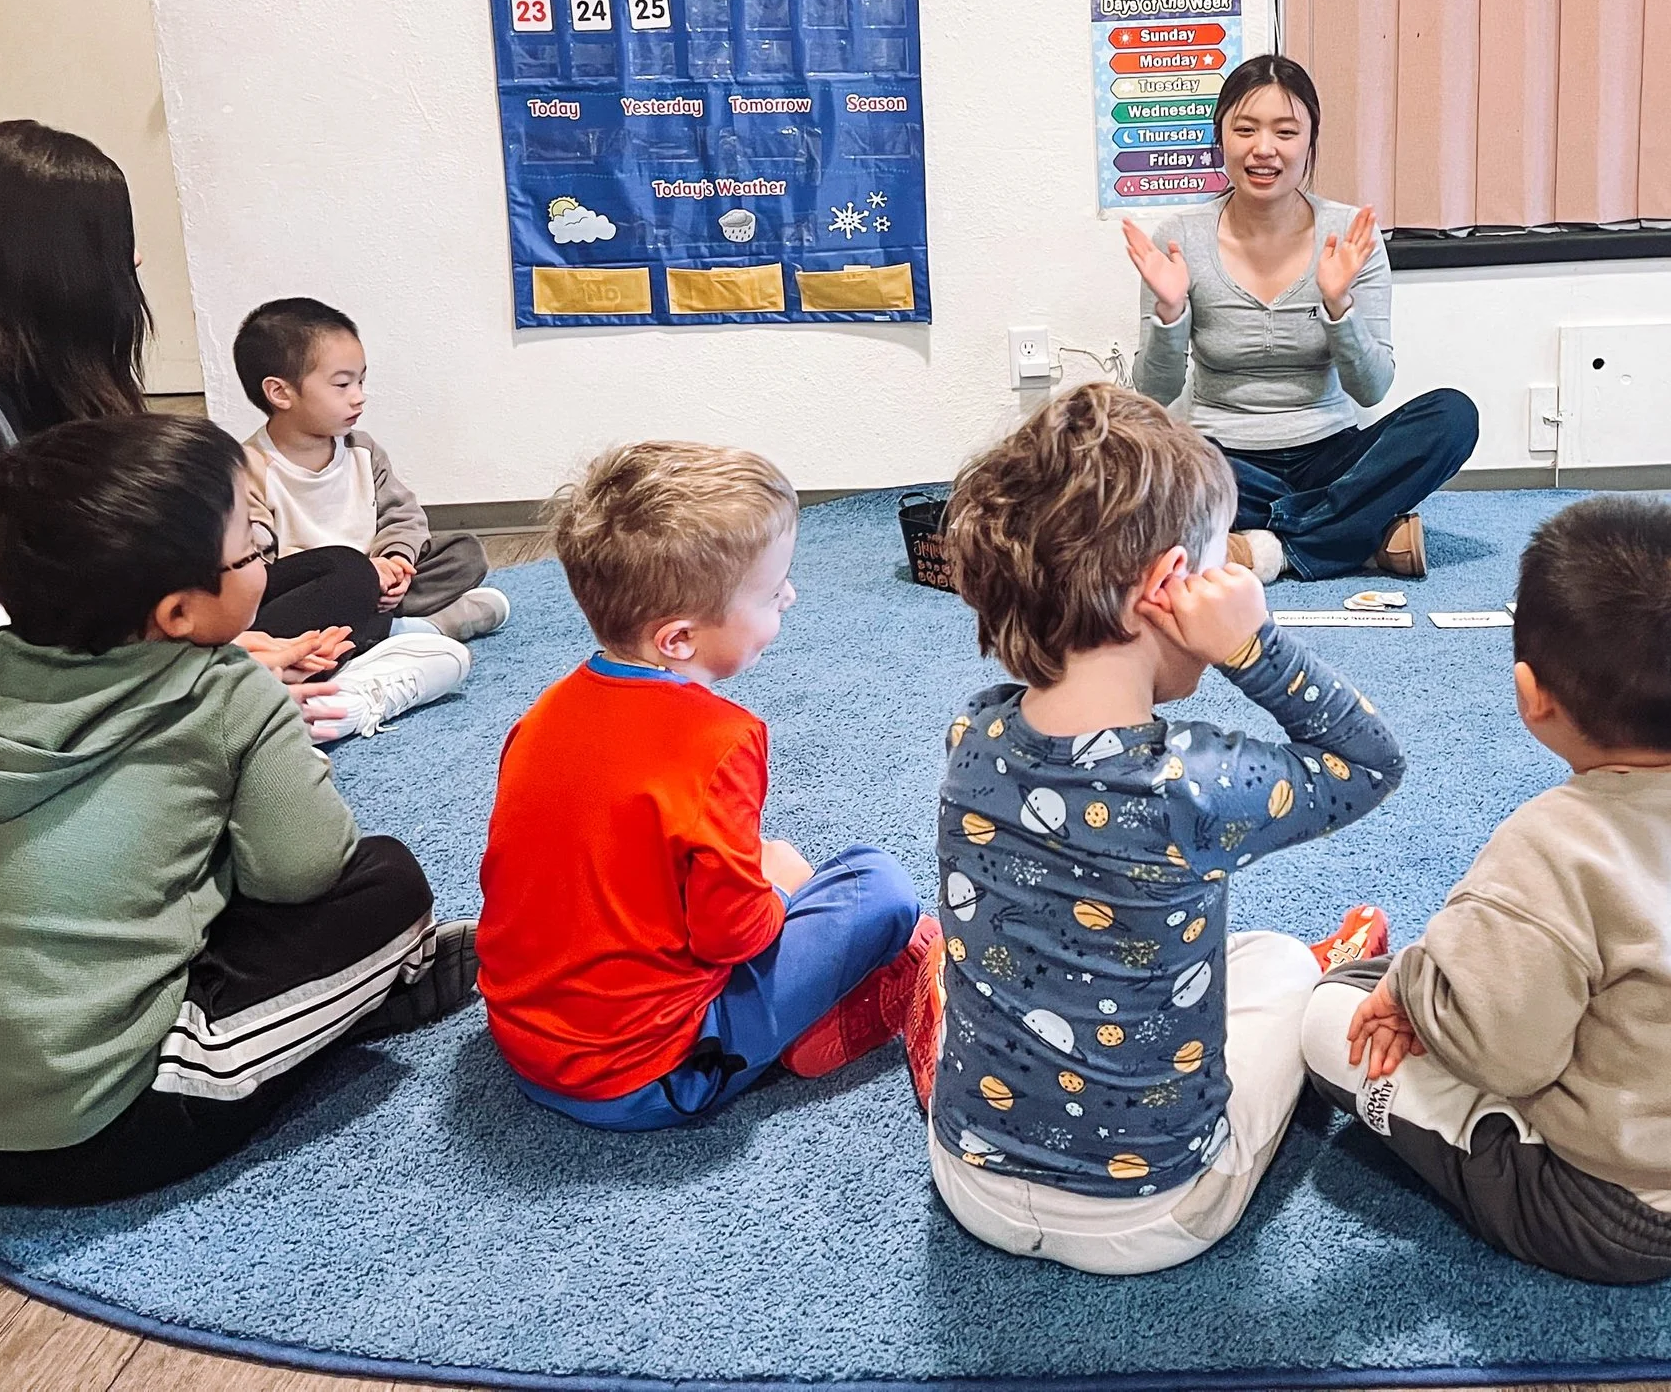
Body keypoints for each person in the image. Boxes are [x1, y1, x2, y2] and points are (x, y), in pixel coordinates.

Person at [0, 413, 477, 1206]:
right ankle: (356, 1002)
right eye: (254, 546)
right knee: (388, 886)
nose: (264, 553)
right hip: (100, 1127)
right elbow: (307, 870)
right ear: (181, 614)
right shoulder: (225, 690)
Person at [1302, 497, 1671, 1283]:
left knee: (1332, 1013)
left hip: (1614, 1216)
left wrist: (1413, 989)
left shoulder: (1548, 841)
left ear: (1532, 693)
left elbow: (1508, 1057)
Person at [929, 383, 1404, 1275]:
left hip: (970, 1179)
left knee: (1206, 950)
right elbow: (1370, 762)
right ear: (1168, 588)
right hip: (1152, 1212)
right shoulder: (1199, 782)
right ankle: (1324, 963)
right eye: (1225, 567)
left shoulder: (973, 736)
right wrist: (1253, 648)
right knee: (1285, 969)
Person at [0, 122, 374, 752]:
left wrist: (211, 640)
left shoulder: (40, 368)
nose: (134, 260)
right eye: (117, 241)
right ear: (55, 260)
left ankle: (242, 682)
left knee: (346, 576)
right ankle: (237, 693)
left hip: (105, 636)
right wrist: (195, 661)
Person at [478, 441, 942, 1131]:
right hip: (651, 1071)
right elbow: (733, 937)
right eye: (770, 589)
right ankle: (808, 1028)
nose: (790, 593)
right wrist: (778, 883)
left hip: (526, 1044)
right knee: (881, 886)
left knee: (765, 861)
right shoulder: (721, 739)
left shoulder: (540, 715)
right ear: (678, 638)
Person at [1126, 55, 1477, 582]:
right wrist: (1170, 313)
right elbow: (1153, 391)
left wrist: (1339, 307)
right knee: (1134, 464)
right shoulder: (1181, 236)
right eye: (1245, 129)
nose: (1264, 148)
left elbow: (1372, 388)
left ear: (1309, 142)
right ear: (1220, 137)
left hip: (1331, 453)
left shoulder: (1349, 235)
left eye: (1285, 132)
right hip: (1224, 460)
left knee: (1453, 416)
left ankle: (1269, 548)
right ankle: (1357, 536)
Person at [232, 298, 502, 740]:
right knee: (346, 569)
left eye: (360, 381)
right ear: (280, 393)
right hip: (317, 589)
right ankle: (411, 630)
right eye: (341, 385)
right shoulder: (249, 466)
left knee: (463, 552)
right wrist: (362, 572)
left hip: (376, 581)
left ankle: (389, 626)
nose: (358, 396)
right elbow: (256, 566)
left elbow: (403, 513)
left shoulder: (362, 448)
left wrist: (395, 558)